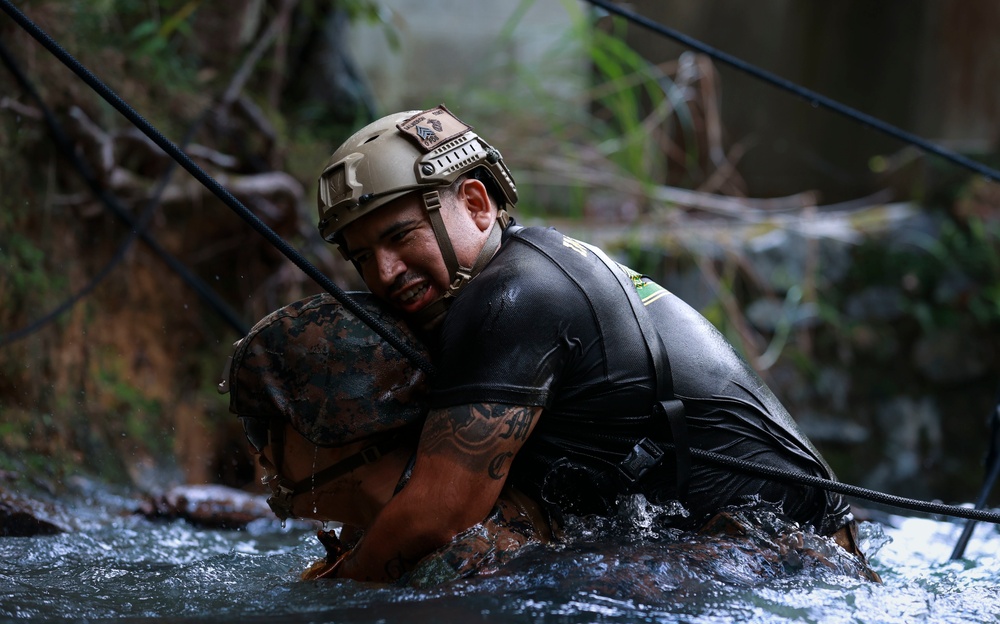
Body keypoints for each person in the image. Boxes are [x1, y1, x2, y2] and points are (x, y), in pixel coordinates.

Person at [313, 105, 878, 583]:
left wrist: (327, 599)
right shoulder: (536, 265)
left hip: (779, 564)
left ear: (478, 204)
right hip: (796, 556)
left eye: (399, 236)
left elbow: (436, 519)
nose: (383, 272)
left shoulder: (513, 296)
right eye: (362, 256)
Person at [221, 291, 550, 585]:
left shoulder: (456, 566)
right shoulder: (369, 536)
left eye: (259, 430)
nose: (256, 452)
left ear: (334, 434)